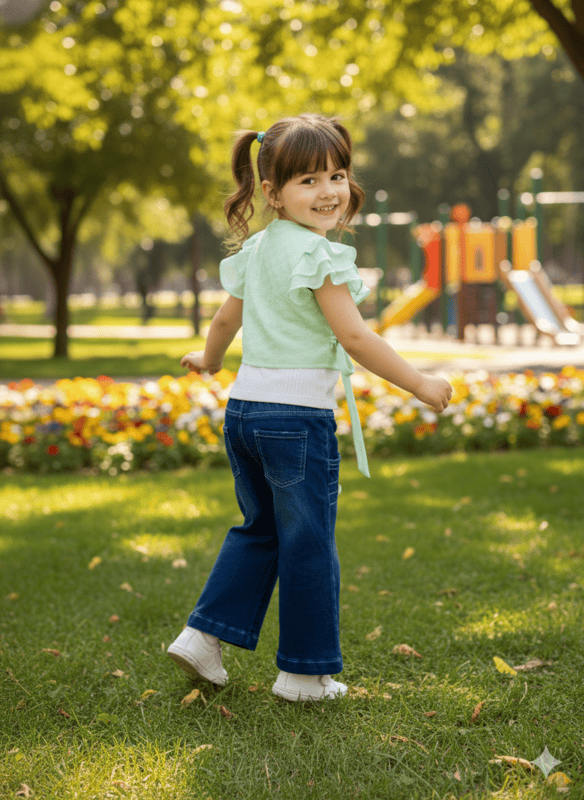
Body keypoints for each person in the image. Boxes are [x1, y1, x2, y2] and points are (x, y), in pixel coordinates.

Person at [167, 113, 452, 702]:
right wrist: (420, 383)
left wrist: (210, 359)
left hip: (245, 413)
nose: (328, 191)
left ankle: (202, 636)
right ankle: (303, 673)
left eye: (338, 175)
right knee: (309, 541)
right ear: (272, 192)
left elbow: (225, 319)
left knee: (261, 530)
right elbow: (356, 339)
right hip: (295, 421)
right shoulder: (320, 258)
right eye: (308, 181)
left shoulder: (258, 248)